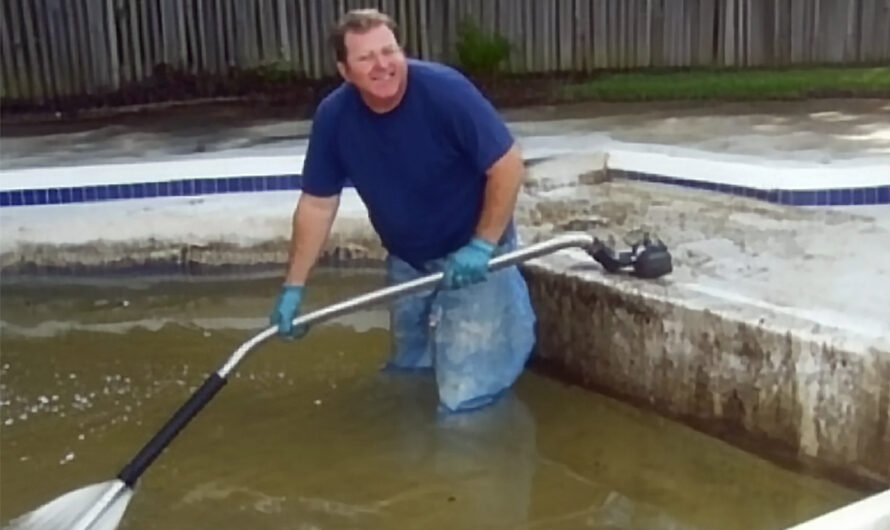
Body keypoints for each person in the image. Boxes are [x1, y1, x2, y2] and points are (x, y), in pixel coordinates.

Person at [269, 8, 536, 414]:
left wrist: (483, 245)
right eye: (365, 58)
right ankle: (411, 460)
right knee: (407, 374)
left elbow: (508, 165)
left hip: (475, 257)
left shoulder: (445, 91)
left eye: (388, 51)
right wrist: (294, 287)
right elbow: (317, 204)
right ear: (345, 70)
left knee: (467, 395)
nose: (382, 65)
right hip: (408, 259)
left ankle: (471, 465)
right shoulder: (334, 117)